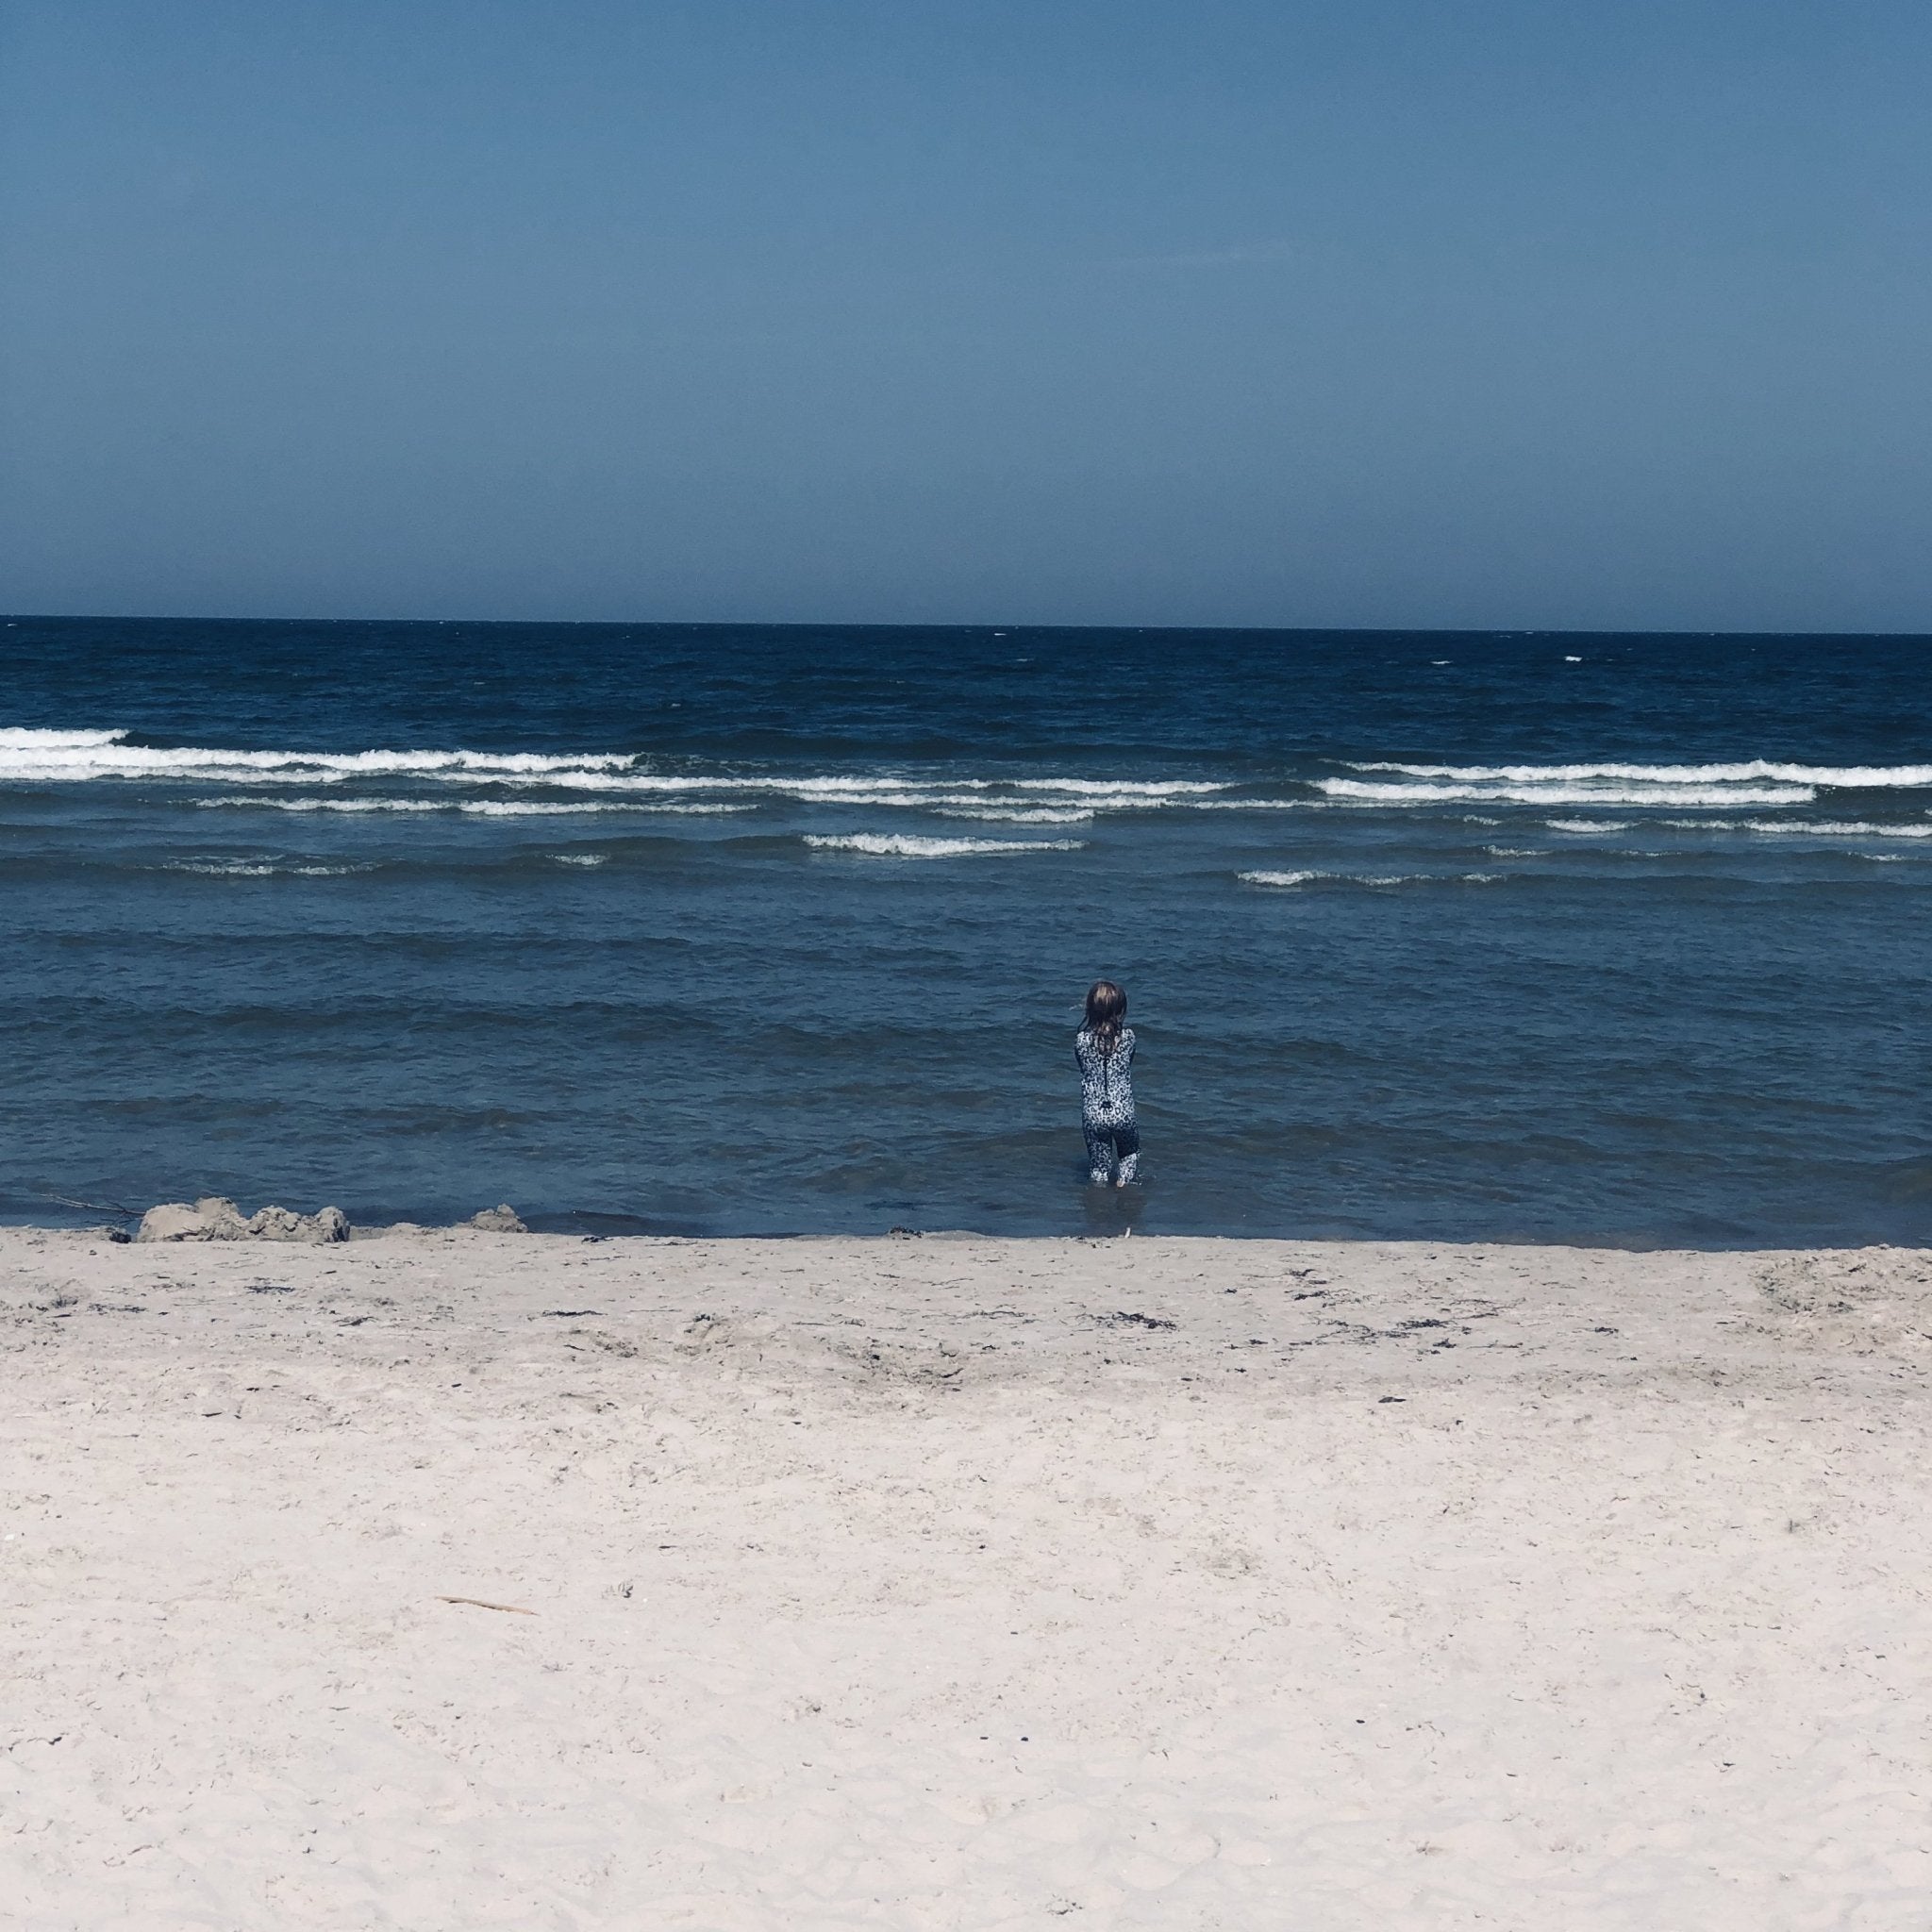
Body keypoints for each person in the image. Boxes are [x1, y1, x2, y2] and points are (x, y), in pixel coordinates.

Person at [1075, 979, 1139, 1186]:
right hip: (1122, 1109)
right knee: (1129, 1155)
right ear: (1120, 1009)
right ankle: (1124, 1188)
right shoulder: (1129, 1037)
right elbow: (1128, 1062)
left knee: (1098, 1168)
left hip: (1094, 1112)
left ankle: (1099, 1203)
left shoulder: (1081, 1040)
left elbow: (1083, 1067)